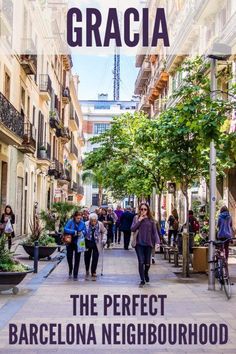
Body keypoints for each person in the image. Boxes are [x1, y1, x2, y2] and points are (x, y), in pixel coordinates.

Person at [131, 203, 160, 287]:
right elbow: (132, 229)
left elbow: (155, 233)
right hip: (139, 244)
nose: (143, 211)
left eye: (145, 209)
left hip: (148, 244)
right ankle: (142, 279)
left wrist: (158, 242)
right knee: (141, 261)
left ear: (148, 211)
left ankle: (146, 272)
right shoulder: (136, 218)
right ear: (139, 210)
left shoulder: (151, 220)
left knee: (147, 263)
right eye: (141, 209)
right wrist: (139, 220)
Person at [64, 211, 86, 280]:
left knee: (77, 258)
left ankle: (75, 274)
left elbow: (85, 231)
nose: (79, 219)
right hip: (70, 241)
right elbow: (65, 229)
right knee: (69, 257)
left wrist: (82, 232)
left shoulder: (82, 223)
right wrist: (74, 232)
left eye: (80, 218)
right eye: (77, 218)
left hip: (78, 242)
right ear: (74, 217)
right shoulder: (70, 221)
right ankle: (70, 268)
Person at [84, 213, 107, 281]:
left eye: (94, 220)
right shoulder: (86, 224)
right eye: (92, 220)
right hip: (88, 242)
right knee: (87, 257)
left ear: (96, 220)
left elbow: (104, 231)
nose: (93, 222)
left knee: (95, 257)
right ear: (89, 220)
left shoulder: (100, 224)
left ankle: (93, 271)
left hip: (97, 243)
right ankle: (87, 269)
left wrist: (104, 239)